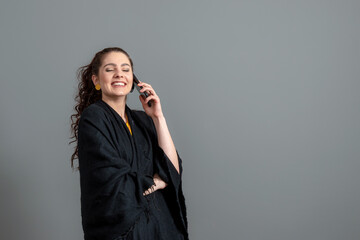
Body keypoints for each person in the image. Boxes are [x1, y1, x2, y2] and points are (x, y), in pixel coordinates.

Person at [70, 47, 188, 240]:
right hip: (126, 232)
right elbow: (109, 179)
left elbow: (172, 170)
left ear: (134, 79)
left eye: (126, 69)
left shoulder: (143, 119)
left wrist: (158, 117)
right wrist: (155, 182)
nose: (119, 74)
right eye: (110, 69)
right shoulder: (94, 118)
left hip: (160, 229)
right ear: (96, 80)